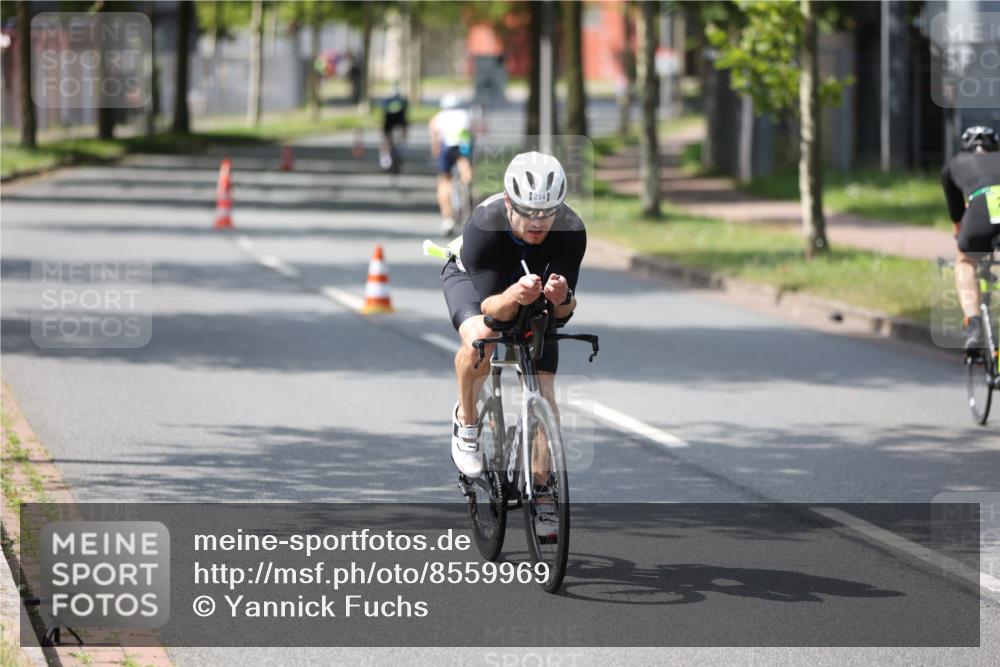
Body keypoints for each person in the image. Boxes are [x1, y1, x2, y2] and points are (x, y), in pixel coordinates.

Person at [440, 151, 585, 540]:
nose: (538, 223)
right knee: (480, 341)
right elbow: (490, 310)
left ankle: (542, 493)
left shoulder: (571, 230)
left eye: (547, 213)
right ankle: (467, 421)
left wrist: (560, 298)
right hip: (475, 280)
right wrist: (517, 295)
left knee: (544, 392)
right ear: (509, 203)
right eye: (527, 213)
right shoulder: (485, 225)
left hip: (530, 289)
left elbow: (566, 312)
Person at [942, 125, 1000, 350]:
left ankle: (974, 325)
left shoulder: (955, 163)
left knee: (965, 261)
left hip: (981, 205)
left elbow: (957, 216)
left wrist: (963, 238)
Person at [429, 94, 474, 236]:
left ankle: (448, 218)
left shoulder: (439, 116)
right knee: (465, 170)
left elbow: (434, 133)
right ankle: (466, 185)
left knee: (445, 180)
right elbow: (477, 130)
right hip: (463, 147)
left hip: (447, 148)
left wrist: (435, 149)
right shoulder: (467, 114)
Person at [380, 83, 408, 173]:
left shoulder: (387, 100)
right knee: (402, 132)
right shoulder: (403, 100)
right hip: (398, 121)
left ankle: (385, 158)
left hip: (390, 121)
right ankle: (402, 146)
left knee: (386, 138)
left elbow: (383, 112)